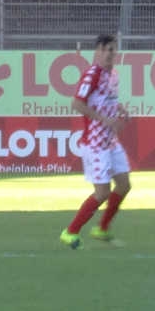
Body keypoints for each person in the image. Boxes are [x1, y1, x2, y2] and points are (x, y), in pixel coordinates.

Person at [60, 33, 132, 249]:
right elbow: (76, 104)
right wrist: (104, 119)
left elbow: (109, 100)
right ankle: (70, 232)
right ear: (98, 51)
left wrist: (121, 109)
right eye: (108, 49)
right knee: (102, 192)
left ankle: (102, 229)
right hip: (95, 143)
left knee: (124, 185)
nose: (112, 53)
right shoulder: (91, 75)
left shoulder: (114, 75)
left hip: (111, 141)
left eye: (114, 49)